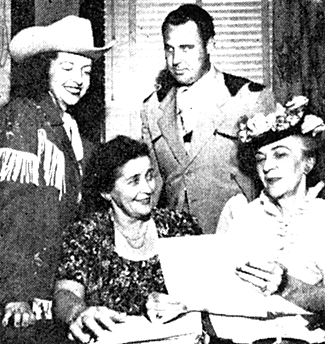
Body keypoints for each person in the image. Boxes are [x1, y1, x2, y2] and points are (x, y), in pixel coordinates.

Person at [0, 15, 114, 342]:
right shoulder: (24, 117)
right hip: (27, 292)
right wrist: (14, 294)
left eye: (86, 70)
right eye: (67, 68)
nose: (78, 79)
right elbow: (13, 211)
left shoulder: (68, 126)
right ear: (45, 68)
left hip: (58, 285)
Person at [141, 3, 277, 234]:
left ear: (210, 45)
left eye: (186, 48)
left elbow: (273, 176)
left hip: (238, 238)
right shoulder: (152, 107)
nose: (176, 60)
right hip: (176, 243)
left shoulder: (248, 97)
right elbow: (152, 186)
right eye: (170, 49)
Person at [53, 135, 204, 343]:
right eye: (134, 181)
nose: (148, 188)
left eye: (150, 176)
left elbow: (209, 292)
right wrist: (79, 312)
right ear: (107, 191)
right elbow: (64, 293)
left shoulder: (180, 226)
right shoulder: (86, 234)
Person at [213, 97, 325, 343]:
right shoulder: (240, 214)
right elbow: (218, 289)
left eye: (280, 155)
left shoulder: (321, 217)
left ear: (308, 162)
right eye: (261, 158)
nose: (267, 167)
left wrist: (286, 285)